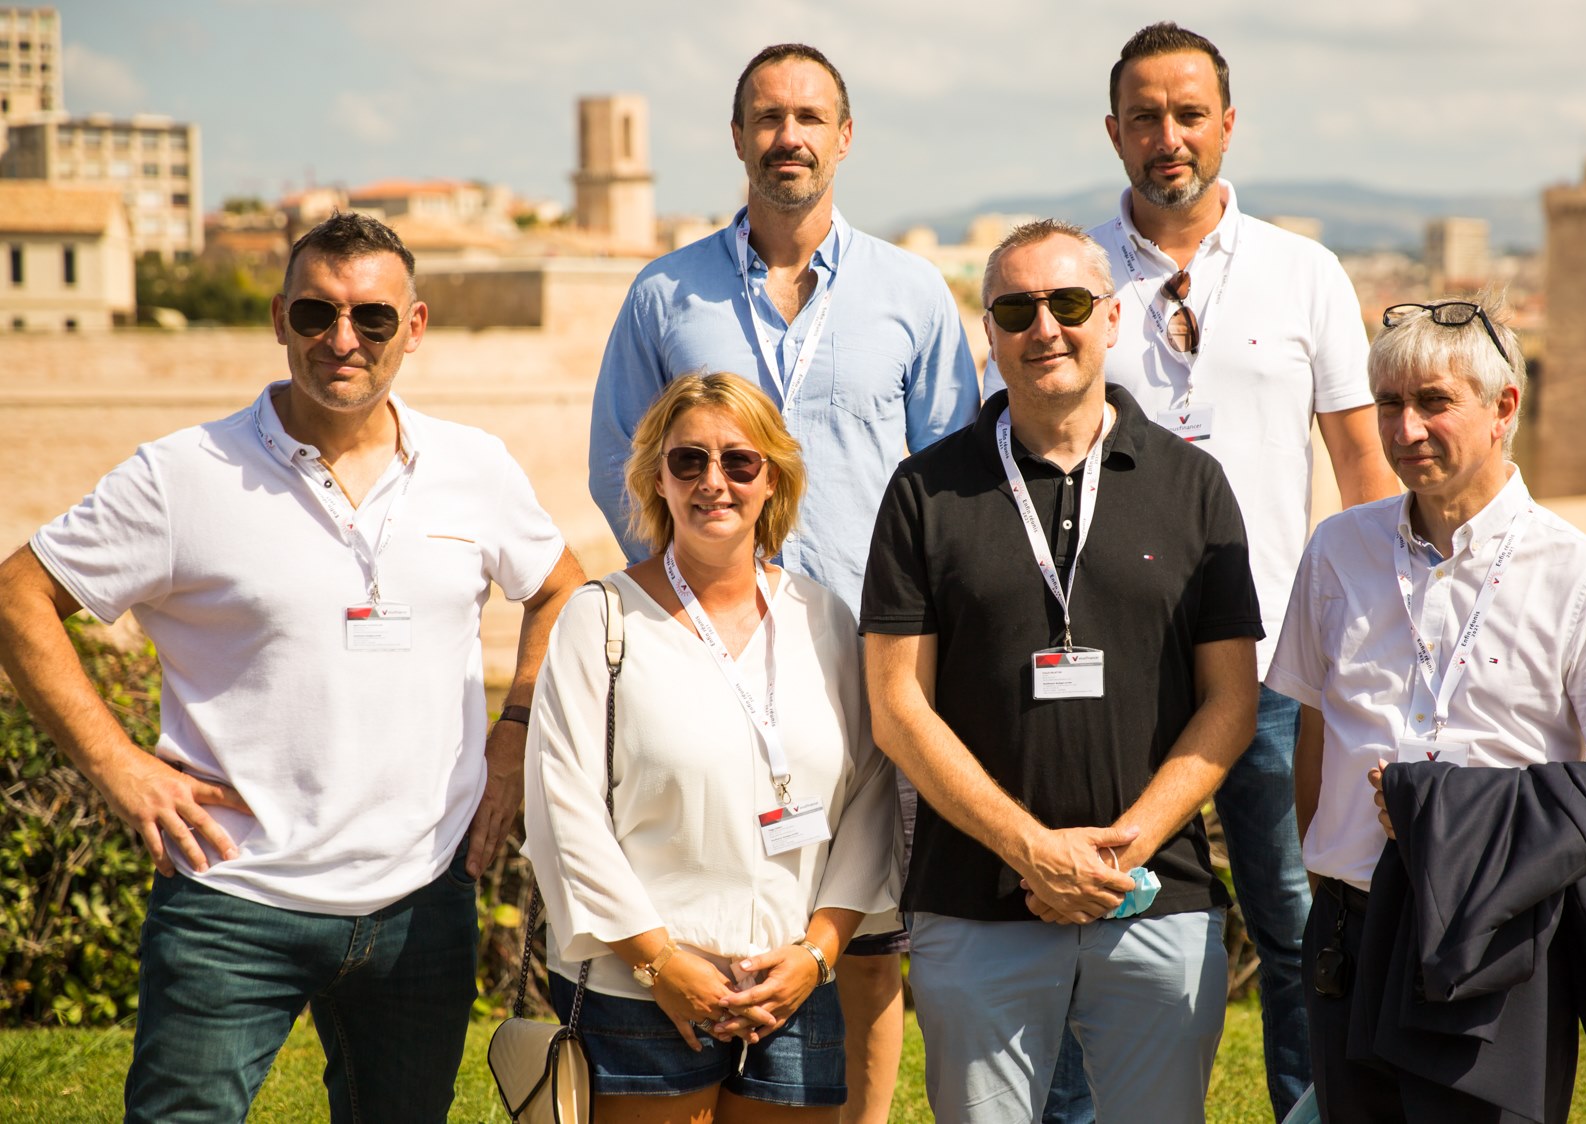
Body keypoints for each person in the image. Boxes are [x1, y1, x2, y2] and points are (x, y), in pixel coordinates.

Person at [0, 211, 584, 1122]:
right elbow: (17, 597)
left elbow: (560, 590)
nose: (341, 340)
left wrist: (512, 740)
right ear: (280, 318)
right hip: (234, 899)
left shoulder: (474, 466)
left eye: (372, 319)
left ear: (415, 328)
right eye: (315, 314)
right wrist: (122, 770)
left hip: (421, 899)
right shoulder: (183, 475)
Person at [988, 23, 1403, 1119]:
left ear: (1226, 123)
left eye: (1188, 114)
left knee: (1300, 920)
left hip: (1274, 667)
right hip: (1106, 672)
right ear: (1114, 130)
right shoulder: (1066, 278)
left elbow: (1360, 468)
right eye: (1145, 116)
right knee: (1087, 914)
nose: (1167, 137)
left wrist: (1383, 639)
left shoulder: (1303, 274)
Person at [587, 43, 979, 1123]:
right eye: (767, 117)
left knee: (869, 923)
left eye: (810, 116)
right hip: (709, 645)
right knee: (724, 887)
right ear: (737, 137)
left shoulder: (911, 294)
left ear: (844, 137)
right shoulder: (665, 293)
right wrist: (672, 616)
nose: (788, 136)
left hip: (873, 653)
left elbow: (952, 482)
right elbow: (619, 461)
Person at [861, 220, 1262, 1122]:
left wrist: (1119, 850)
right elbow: (895, 705)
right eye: (1016, 308)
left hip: (1153, 898)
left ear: (1111, 319)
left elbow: (1230, 702)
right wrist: (1033, 851)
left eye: (1069, 303)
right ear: (990, 333)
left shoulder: (1193, 485)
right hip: (974, 904)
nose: (1044, 327)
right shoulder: (923, 492)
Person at [1265, 297, 1586, 1120]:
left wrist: (1457, 810)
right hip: (1349, 933)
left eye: (1432, 403)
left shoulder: (1583, 577)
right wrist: (1328, 887)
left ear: (1503, 409)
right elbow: (1314, 737)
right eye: (1389, 405)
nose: (1405, 429)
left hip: (1495, 940)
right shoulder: (1334, 551)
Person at [527, 372, 898, 1121]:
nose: (713, 482)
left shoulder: (821, 617)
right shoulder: (600, 620)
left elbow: (868, 795)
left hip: (793, 987)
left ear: (773, 480)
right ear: (656, 479)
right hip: (639, 992)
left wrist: (818, 953)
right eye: (687, 461)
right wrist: (660, 963)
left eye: (739, 462)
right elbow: (563, 812)